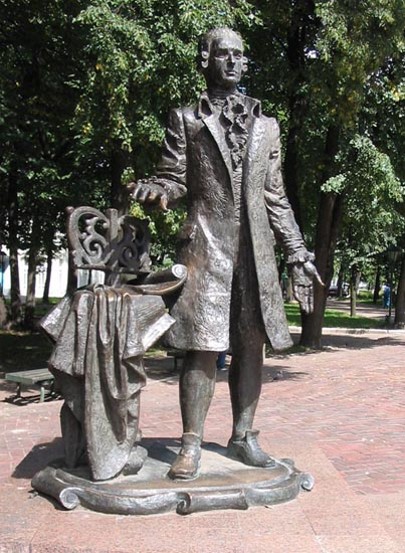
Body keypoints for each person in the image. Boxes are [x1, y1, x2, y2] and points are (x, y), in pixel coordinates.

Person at [129, 27, 320, 480]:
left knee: (250, 346)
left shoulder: (268, 126)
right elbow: (173, 178)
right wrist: (157, 191)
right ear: (205, 59)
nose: (233, 62)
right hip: (206, 246)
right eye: (224, 55)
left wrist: (296, 251)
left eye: (239, 56)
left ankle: (243, 435)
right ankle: (190, 443)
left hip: (255, 252)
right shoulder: (186, 119)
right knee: (200, 347)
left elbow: (276, 195)